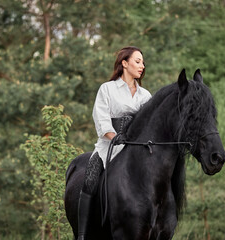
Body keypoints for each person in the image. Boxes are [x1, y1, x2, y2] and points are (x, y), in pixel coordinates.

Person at [77, 46, 152, 239]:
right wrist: (115, 137)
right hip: (109, 147)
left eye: (143, 62)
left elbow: (149, 124)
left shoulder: (146, 96)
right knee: (90, 178)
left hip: (137, 150)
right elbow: (101, 120)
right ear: (124, 63)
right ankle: (82, 235)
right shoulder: (107, 89)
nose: (142, 66)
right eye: (138, 61)